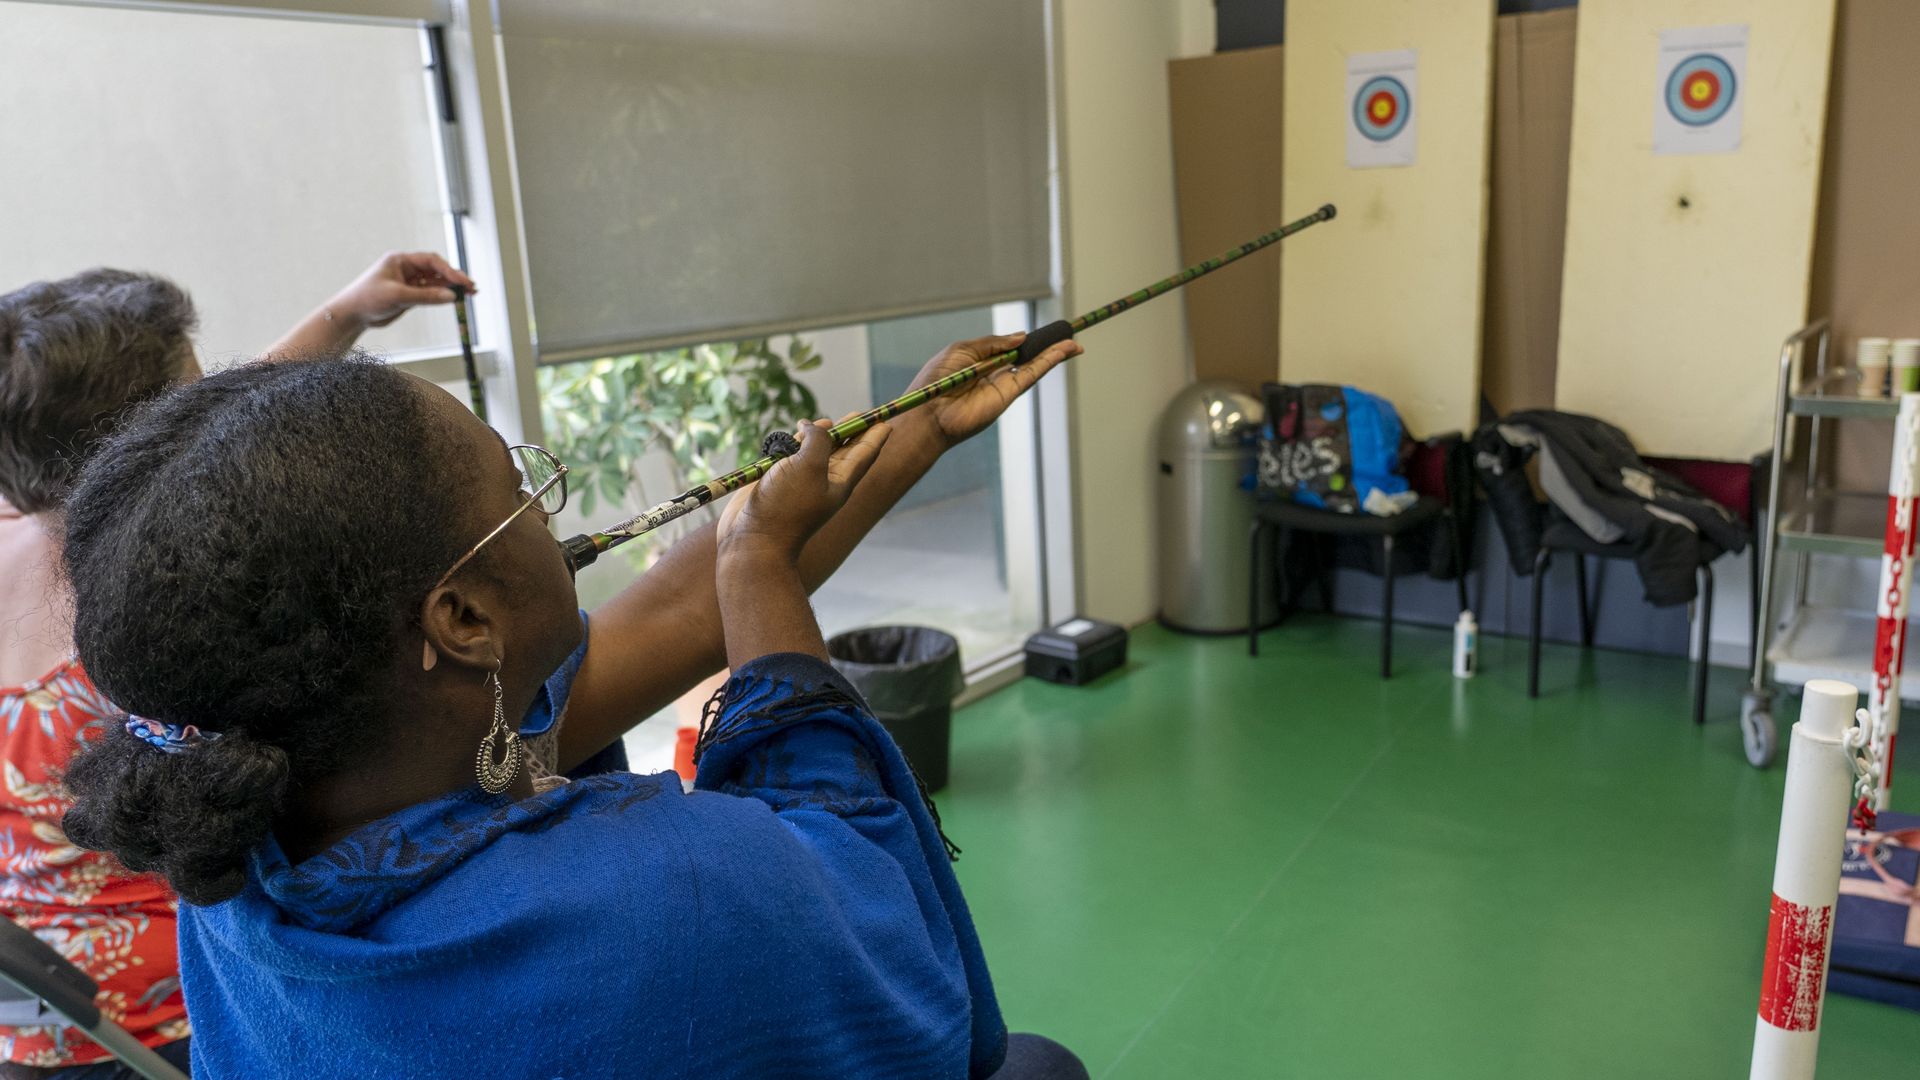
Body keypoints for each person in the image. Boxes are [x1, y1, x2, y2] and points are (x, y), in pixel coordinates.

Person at [55, 353, 1087, 1079]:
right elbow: (888, 933)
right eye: (525, 491)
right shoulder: (675, 903)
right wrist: (756, 565)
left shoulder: (240, 831)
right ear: (461, 619)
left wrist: (911, 429)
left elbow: (680, 612)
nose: (551, 510)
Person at [0, 252, 475, 1079]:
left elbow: (215, 437)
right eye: (193, 394)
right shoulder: (136, 614)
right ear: (137, 449)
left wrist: (348, 311)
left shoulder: (18, 515)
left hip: (21, 1013)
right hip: (162, 1026)